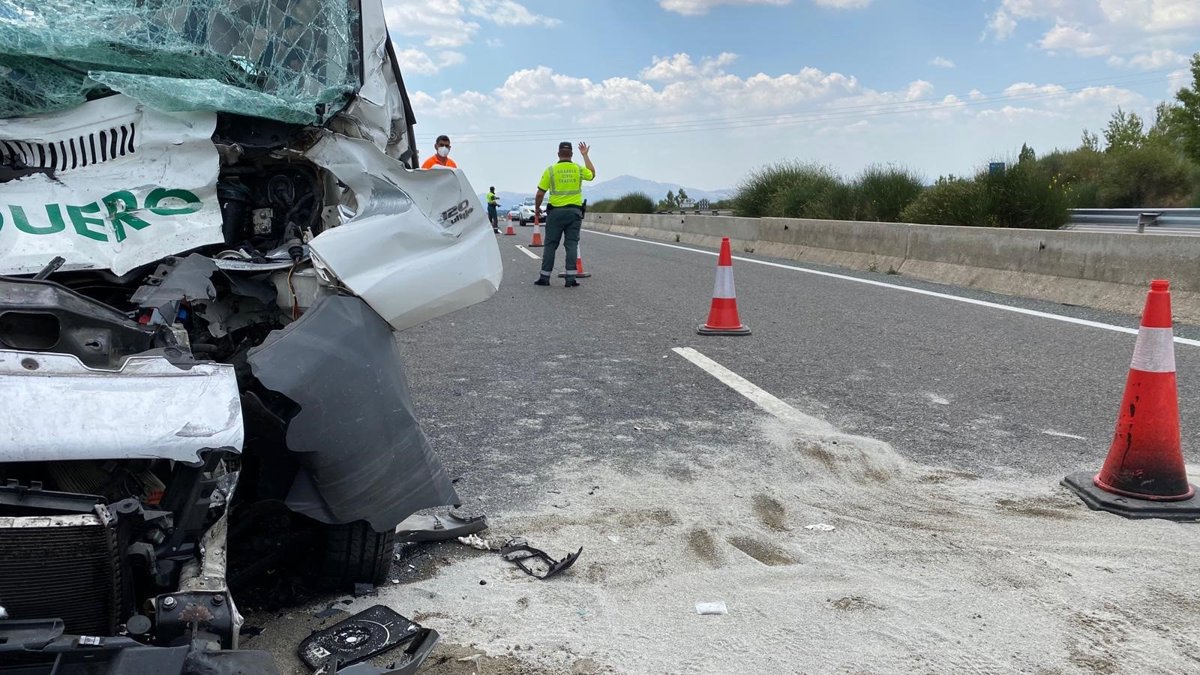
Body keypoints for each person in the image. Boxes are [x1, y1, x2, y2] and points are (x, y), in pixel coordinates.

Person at [533, 141, 594, 287]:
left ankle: (544, 277)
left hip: (555, 213)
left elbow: (540, 193)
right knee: (571, 244)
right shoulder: (578, 169)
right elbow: (592, 174)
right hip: (574, 213)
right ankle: (571, 279)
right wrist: (585, 155)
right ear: (572, 154)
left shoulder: (551, 170)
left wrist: (537, 208)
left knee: (550, 244)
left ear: (558, 154)